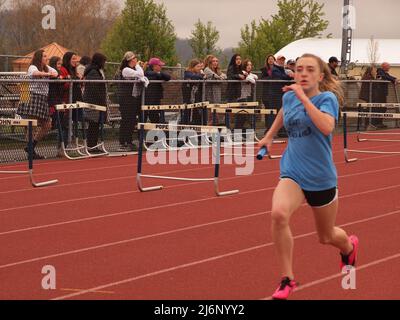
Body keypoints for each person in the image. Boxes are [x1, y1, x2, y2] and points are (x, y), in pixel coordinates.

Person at [258, 53, 359, 300]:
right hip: (292, 170)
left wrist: (303, 97)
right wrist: (270, 135)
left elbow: (326, 126)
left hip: (321, 178)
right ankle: (287, 279)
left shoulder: (327, 99)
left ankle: (349, 247)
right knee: (279, 214)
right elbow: (284, 111)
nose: (303, 73)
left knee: (326, 237)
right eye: (299, 69)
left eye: (310, 70)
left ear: (320, 76)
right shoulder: (290, 96)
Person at [16, 49, 58, 159]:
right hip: (33, 97)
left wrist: (50, 72)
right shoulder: (33, 67)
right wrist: (47, 74)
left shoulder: (47, 67)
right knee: (31, 125)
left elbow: (56, 72)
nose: (46, 58)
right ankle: (31, 152)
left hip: (43, 98)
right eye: (44, 56)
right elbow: (35, 73)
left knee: (47, 124)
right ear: (39, 58)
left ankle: (31, 146)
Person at [115, 51, 148, 151]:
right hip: (125, 98)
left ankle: (129, 141)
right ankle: (123, 142)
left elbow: (141, 76)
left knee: (132, 120)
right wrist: (138, 66)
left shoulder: (132, 69)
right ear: (130, 60)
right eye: (134, 59)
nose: (136, 60)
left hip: (132, 98)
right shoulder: (125, 70)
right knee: (126, 120)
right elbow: (140, 73)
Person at [83, 52, 108, 153]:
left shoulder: (96, 71)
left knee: (96, 124)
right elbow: (95, 87)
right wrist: (101, 101)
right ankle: (91, 146)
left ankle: (93, 145)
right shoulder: (93, 71)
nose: (104, 64)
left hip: (97, 102)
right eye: (103, 62)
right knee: (93, 123)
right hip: (92, 101)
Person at [144, 57, 171, 123]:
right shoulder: (148, 72)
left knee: (155, 116)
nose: (161, 67)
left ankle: (155, 131)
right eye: (159, 65)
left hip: (155, 98)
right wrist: (157, 74)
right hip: (149, 99)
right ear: (154, 66)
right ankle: (142, 132)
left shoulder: (157, 73)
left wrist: (159, 73)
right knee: (148, 116)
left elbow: (168, 77)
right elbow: (149, 74)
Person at [203, 55, 227, 124]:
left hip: (217, 94)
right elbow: (215, 76)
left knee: (216, 115)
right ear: (209, 62)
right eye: (213, 61)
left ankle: (214, 130)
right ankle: (208, 130)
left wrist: (219, 77)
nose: (215, 63)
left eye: (217, 61)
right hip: (209, 95)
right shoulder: (207, 69)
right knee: (211, 115)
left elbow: (225, 76)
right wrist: (219, 78)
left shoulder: (218, 70)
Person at [375, 62, 399, 128]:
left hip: (383, 93)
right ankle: (377, 123)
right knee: (380, 108)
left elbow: (388, 76)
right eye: (388, 66)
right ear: (384, 66)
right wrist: (394, 80)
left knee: (383, 108)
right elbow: (385, 77)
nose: (389, 67)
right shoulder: (380, 71)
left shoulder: (384, 73)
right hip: (379, 94)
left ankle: (379, 123)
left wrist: (395, 79)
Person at [182, 59, 204, 124]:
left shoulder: (197, 73)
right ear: (192, 67)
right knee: (187, 113)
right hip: (188, 97)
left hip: (196, 98)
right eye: (197, 66)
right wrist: (201, 75)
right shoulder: (187, 73)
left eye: (200, 67)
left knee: (197, 114)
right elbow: (195, 77)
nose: (199, 68)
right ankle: (185, 125)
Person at [260, 55, 276, 129]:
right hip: (266, 94)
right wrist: (270, 78)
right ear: (267, 61)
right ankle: (268, 127)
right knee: (267, 111)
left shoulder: (277, 69)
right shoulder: (264, 70)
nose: (270, 60)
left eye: (272, 59)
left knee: (274, 112)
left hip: (275, 94)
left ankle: (273, 128)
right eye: (269, 59)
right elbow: (262, 79)